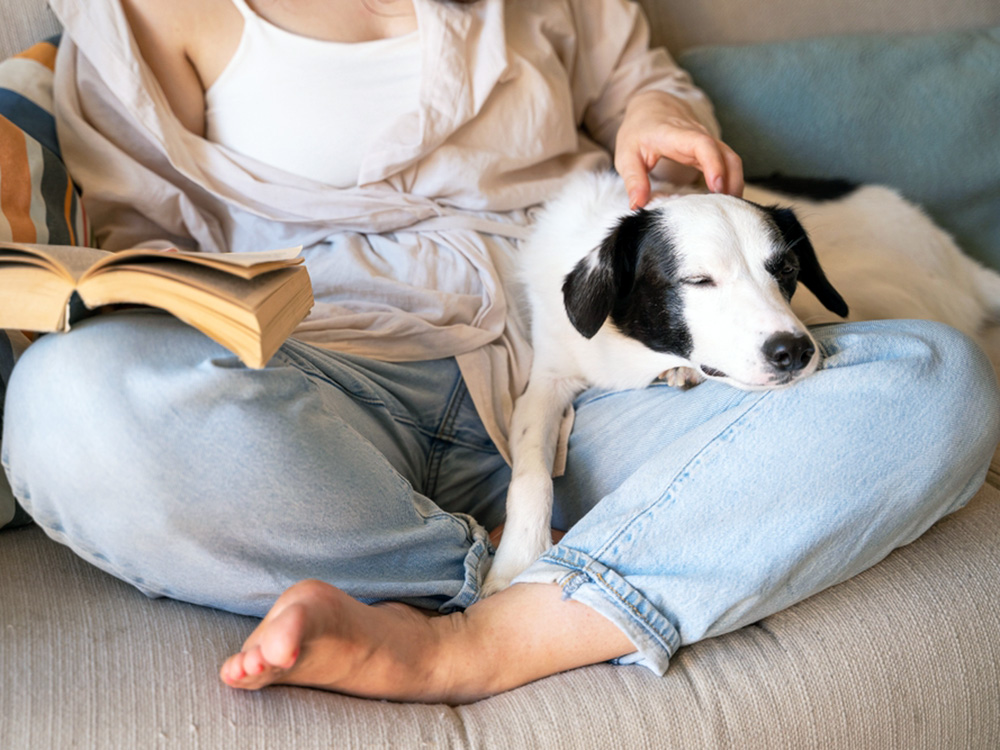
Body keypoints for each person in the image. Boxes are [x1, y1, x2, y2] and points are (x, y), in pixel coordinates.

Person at [2, 0, 998, 705]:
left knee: (929, 384)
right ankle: (464, 566)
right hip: (321, 382)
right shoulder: (144, 14)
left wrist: (663, 116)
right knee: (69, 402)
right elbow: (135, 239)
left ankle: (486, 636)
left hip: (578, 369)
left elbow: (634, 82)